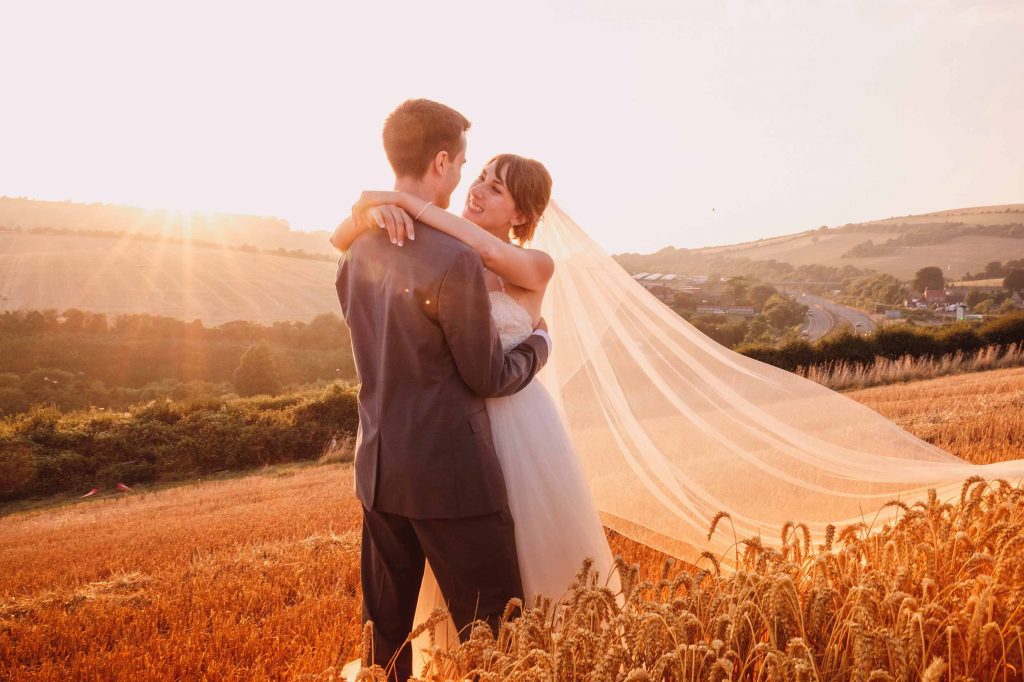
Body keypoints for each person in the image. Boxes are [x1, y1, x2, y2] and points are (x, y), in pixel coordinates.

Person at [336, 154, 619, 675]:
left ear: (520, 215)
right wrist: (366, 212)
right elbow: (342, 244)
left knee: (525, 573)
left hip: (518, 426)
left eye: (496, 190)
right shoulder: (439, 249)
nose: (478, 190)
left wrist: (401, 199)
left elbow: (487, 250)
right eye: (481, 178)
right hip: (451, 434)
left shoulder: (534, 265)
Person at [334, 99, 552, 682]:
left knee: (385, 646)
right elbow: (485, 376)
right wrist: (539, 346)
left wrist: (373, 208)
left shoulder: (357, 249)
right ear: (440, 161)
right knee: (499, 639)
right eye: (464, 166)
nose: (466, 179)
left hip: (379, 468)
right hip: (451, 472)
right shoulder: (454, 258)